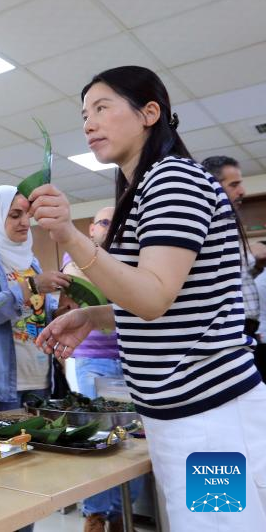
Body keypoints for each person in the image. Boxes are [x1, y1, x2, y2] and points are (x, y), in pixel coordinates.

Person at [33, 65, 266, 531]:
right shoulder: (144, 188)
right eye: (84, 114)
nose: (88, 123)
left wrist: (71, 237)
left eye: (102, 107)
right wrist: (94, 316)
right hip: (185, 415)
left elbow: (155, 297)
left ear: (149, 113)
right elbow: (169, 303)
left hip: (207, 421)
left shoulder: (172, 180)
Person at [63, 206, 142, 532]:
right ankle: (95, 517)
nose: (111, 229)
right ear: (92, 230)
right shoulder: (75, 264)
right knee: (98, 439)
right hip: (93, 361)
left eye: (117, 223)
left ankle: (122, 514)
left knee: (133, 441)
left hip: (133, 361)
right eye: (104, 222)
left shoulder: (134, 261)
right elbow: (69, 301)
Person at [0, 185, 70, 411]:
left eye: (27, 215)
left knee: (39, 446)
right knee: (3, 445)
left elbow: (36, 313)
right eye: (15, 215)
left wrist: (62, 313)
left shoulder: (29, 260)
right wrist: (32, 285)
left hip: (38, 378)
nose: (25, 223)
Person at [201, 155, 266, 379]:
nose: (242, 191)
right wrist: (252, 254)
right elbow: (216, 268)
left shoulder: (228, 221)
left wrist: (256, 266)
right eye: (234, 184)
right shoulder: (205, 221)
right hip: (230, 329)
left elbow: (238, 277)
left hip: (248, 328)